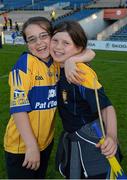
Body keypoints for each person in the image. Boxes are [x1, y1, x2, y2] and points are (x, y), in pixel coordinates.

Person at [4, 16, 95, 179]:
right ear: (27, 44)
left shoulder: (56, 61)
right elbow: (18, 109)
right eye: (32, 39)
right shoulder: (24, 64)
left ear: (53, 37)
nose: (39, 43)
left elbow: (89, 52)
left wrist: (72, 60)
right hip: (22, 146)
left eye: (44, 36)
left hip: (45, 143)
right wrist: (31, 146)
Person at [50, 20, 121, 179]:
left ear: (78, 48)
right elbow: (89, 51)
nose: (58, 47)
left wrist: (111, 136)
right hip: (74, 138)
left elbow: (106, 106)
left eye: (66, 43)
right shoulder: (57, 65)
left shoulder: (81, 74)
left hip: (91, 141)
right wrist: (70, 59)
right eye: (55, 40)